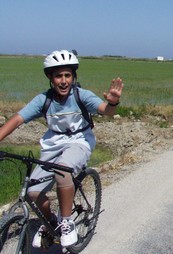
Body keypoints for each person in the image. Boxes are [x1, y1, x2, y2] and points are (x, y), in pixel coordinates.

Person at [0, 50, 124, 248]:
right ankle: (52, 222)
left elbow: (107, 111)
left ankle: (67, 222)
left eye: (68, 75)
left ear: (73, 77)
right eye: (59, 76)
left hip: (79, 141)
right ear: (51, 78)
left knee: (63, 169)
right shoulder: (44, 100)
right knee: (33, 192)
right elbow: (17, 119)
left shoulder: (80, 95)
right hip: (52, 146)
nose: (64, 80)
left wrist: (113, 101)